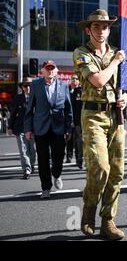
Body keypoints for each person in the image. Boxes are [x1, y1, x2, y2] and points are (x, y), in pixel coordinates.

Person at [73, 9, 127, 240]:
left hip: (115, 117)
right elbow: (97, 81)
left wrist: (123, 97)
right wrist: (115, 61)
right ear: (88, 29)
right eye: (96, 26)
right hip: (93, 117)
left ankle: (108, 221)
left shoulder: (117, 52)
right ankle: (88, 211)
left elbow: (120, 84)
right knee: (100, 167)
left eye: (105, 27)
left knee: (116, 172)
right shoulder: (81, 53)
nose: (101, 31)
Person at [24, 60, 73, 199]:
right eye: (48, 68)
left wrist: (68, 128)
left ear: (56, 71)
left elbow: (68, 108)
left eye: (53, 68)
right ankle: (45, 188)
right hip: (40, 127)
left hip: (59, 127)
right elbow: (30, 109)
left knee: (58, 156)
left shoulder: (64, 85)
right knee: (43, 159)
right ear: (43, 71)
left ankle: (57, 174)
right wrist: (28, 128)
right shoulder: (35, 85)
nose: (50, 71)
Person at [7, 77, 36, 179]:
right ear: (22, 88)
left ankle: (32, 165)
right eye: (25, 86)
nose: (27, 87)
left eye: (30, 85)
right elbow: (13, 113)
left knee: (32, 149)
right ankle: (27, 169)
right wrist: (10, 127)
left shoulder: (36, 97)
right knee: (23, 150)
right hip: (20, 128)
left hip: (34, 128)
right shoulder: (18, 98)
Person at [67, 74, 84, 168]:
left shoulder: (81, 91)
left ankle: (79, 160)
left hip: (78, 121)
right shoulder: (67, 90)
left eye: (76, 79)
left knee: (79, 142)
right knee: (68, 140)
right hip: (69, 120)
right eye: (72, 79)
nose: (74, 80)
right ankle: (68, 156)